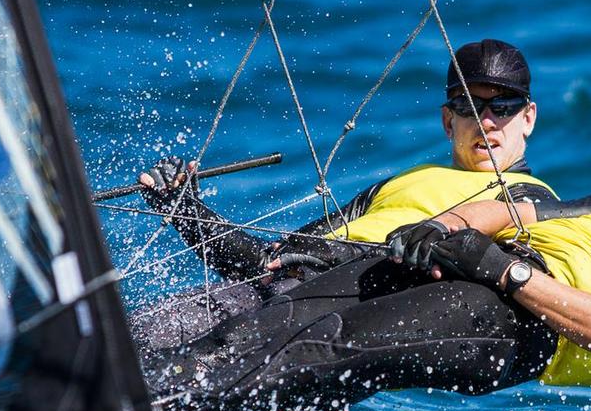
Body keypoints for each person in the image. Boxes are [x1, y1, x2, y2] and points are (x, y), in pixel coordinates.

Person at [146, 114, 591, 411]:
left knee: (319, 345)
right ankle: (115, 389)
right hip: (480, 267)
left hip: (517, 324)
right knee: (265, 318)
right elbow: (523, 210)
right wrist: (436, 231)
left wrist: (509, 277)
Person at [131, 39, 557, 351]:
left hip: (318, 328)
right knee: (122, 334)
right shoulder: (397, 185)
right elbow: (267, 264)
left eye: (502, 107)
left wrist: (345, 257)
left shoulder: (528, 203)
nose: (486, 121)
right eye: (468, 106)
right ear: (448, 121)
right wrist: (182, 207)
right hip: (264, 301)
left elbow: (460, 278)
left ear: (528, 118)